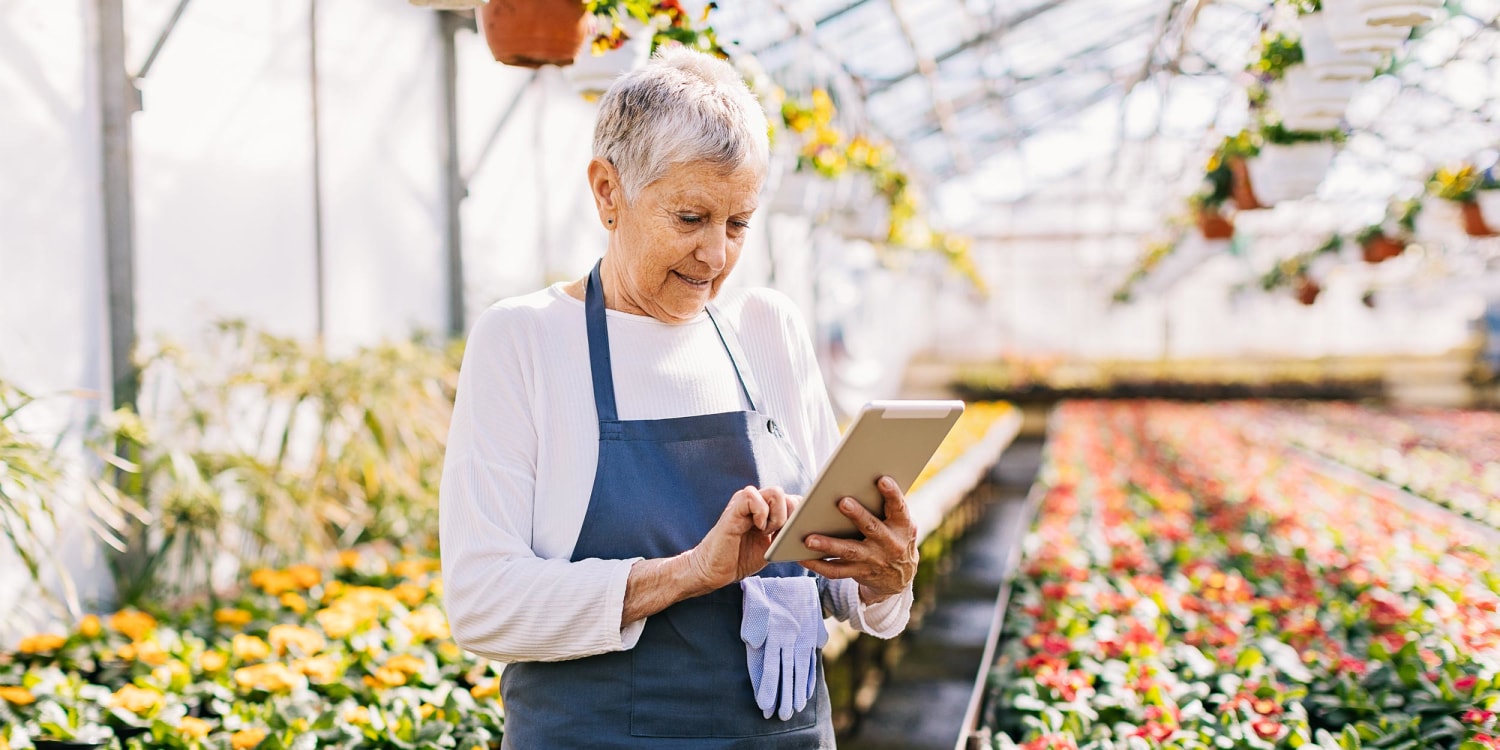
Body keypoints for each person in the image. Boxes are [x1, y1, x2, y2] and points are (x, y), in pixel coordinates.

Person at [439, 47, 916, 748]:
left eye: (738, 223)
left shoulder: (769, 330)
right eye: (691, 218)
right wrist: (688, 574)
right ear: (608, 191)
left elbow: (840, 584)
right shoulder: (528, 341)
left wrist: (884, 577)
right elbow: (483, 604)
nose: (716, 255)